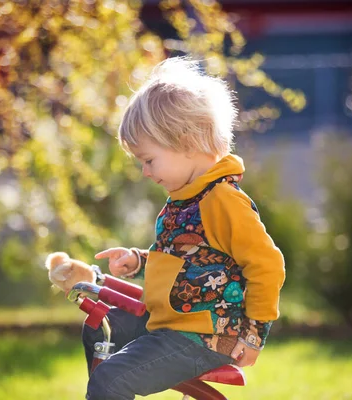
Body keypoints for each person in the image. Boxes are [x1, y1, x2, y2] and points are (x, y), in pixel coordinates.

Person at [83, 57, 285, 400]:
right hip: (175, 323)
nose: (145, 171)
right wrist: (139, 260)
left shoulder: (221, 200)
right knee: (101, 326)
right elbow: (187, 259)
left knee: (112, 379)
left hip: (202, 336)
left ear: (187, 143)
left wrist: (253, 335)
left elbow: (268, 265)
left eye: (149, 159)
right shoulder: (185, 199)